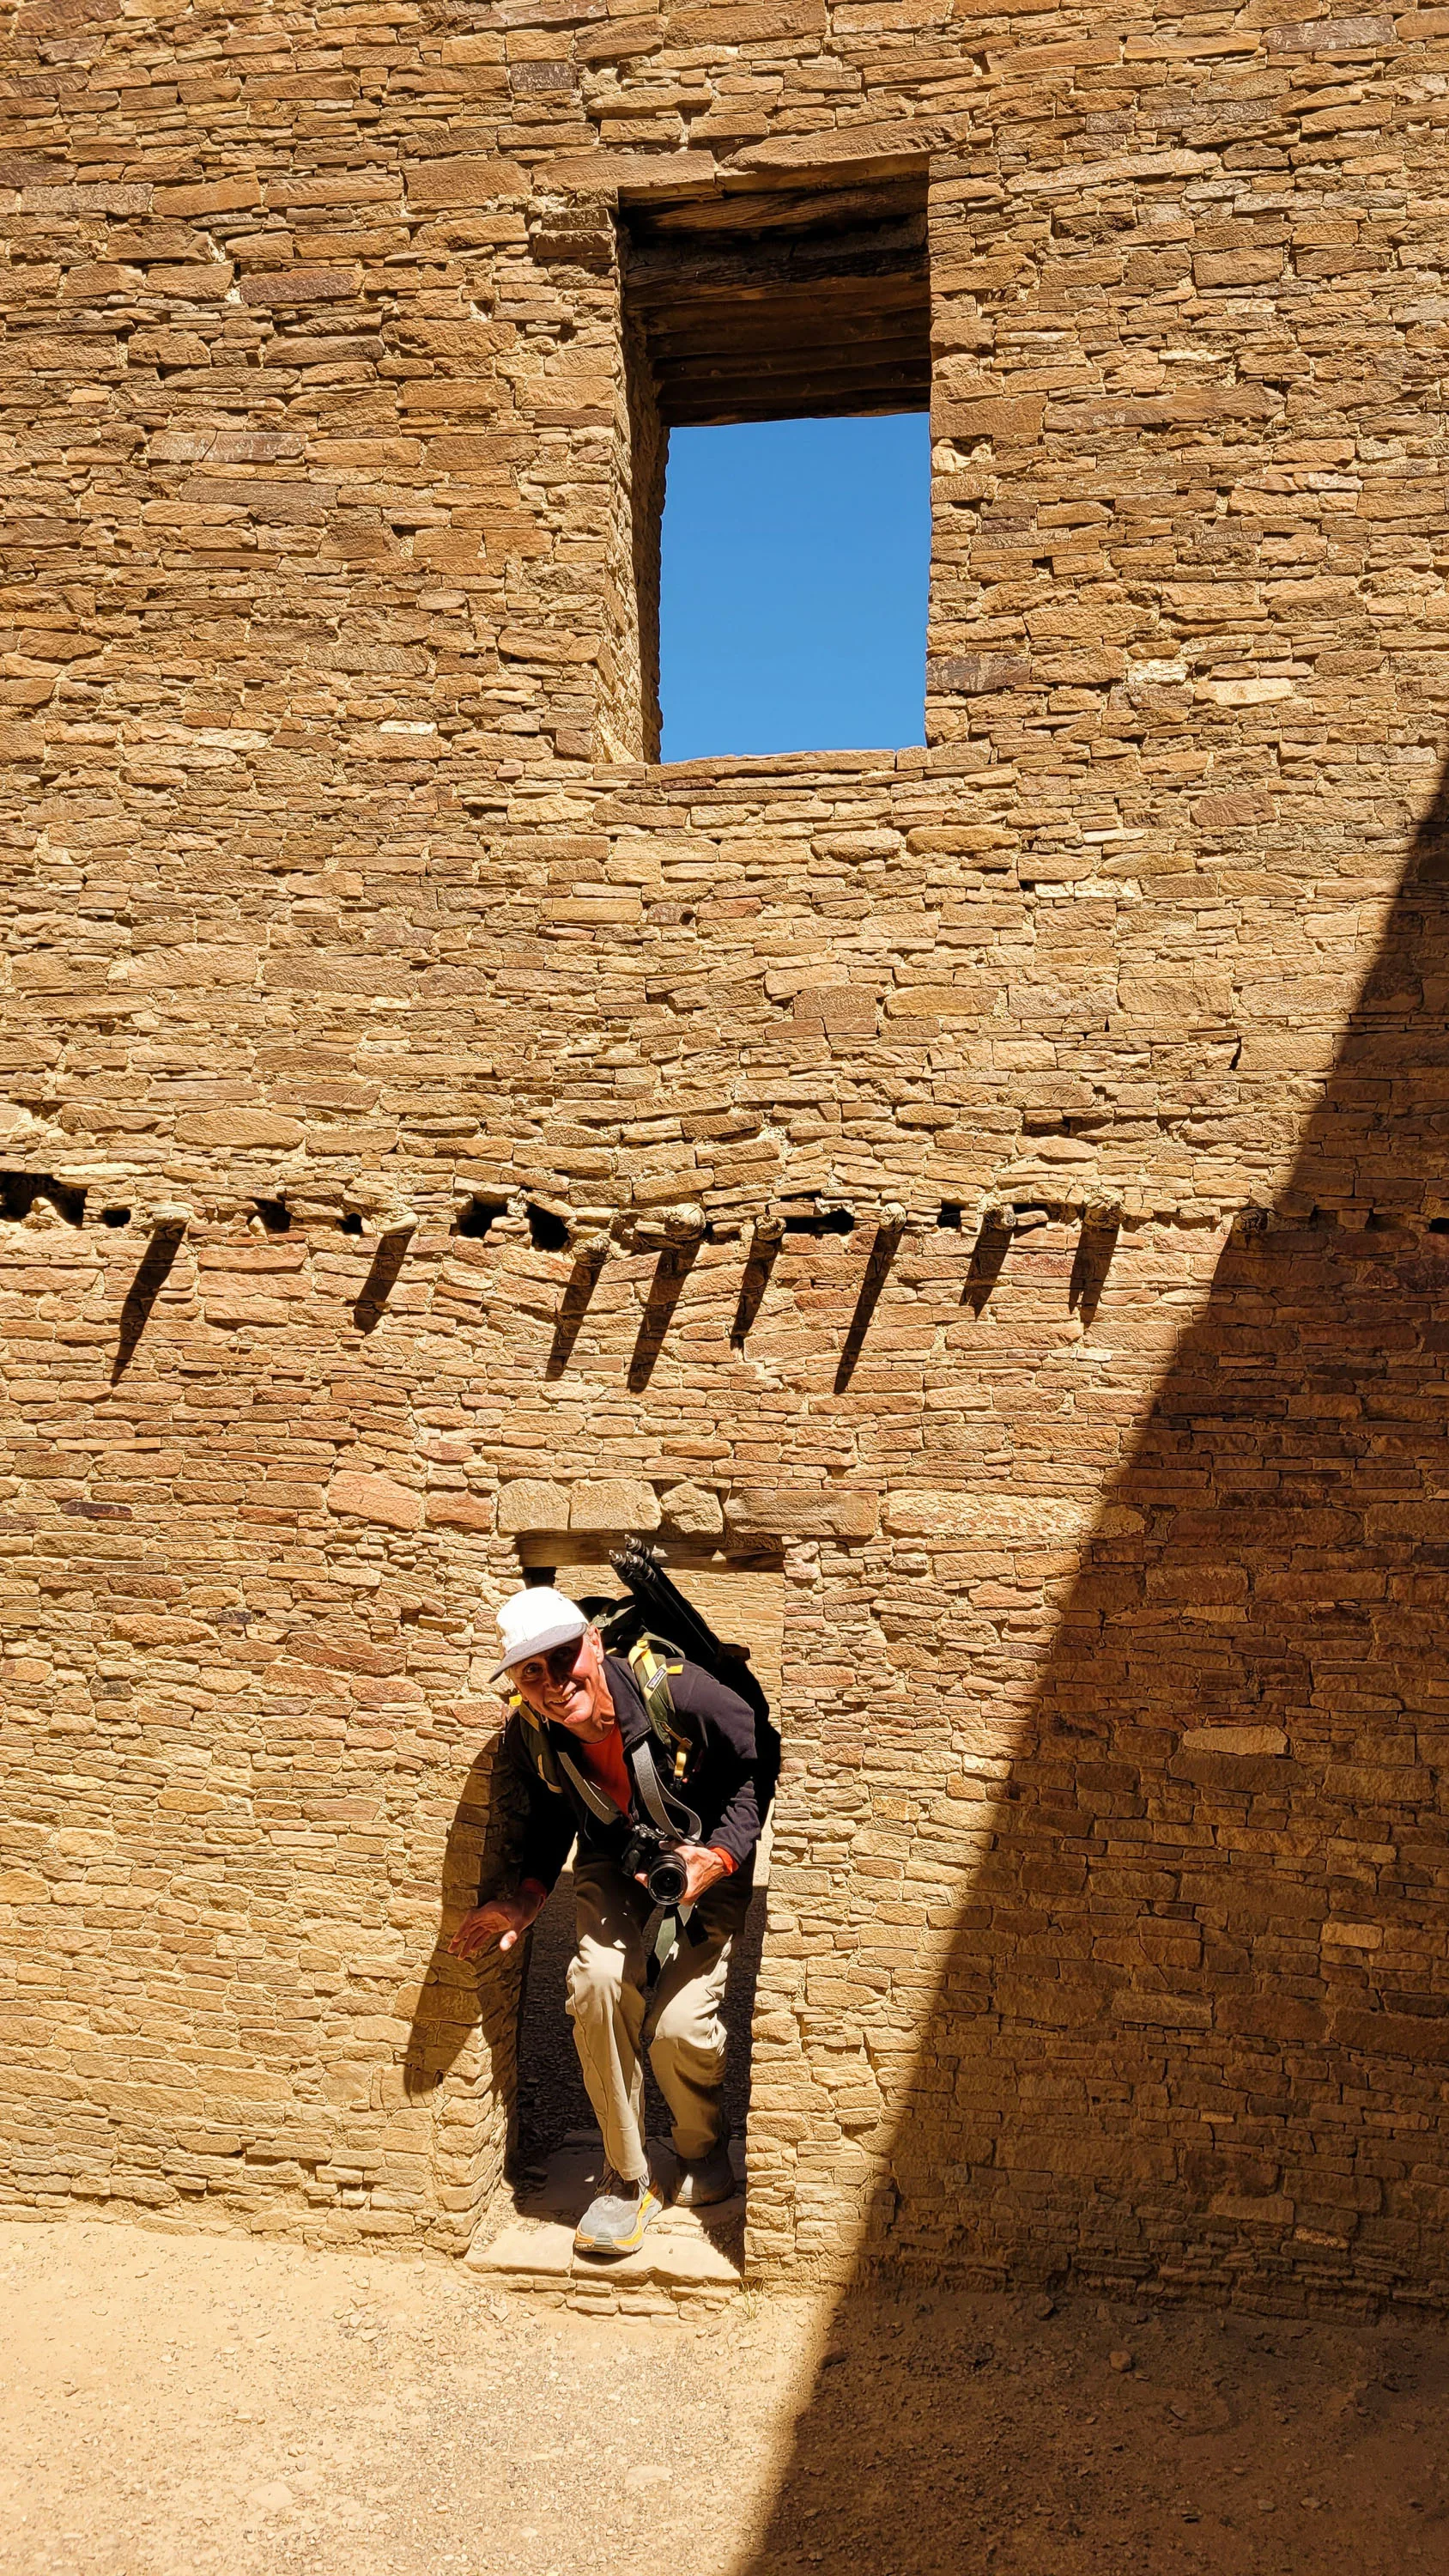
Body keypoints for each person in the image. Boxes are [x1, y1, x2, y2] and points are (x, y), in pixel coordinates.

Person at [448, 1585, 767, 2257]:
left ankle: (699, 2147)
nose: (554, 1683)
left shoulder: (684, 1695)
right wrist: (528, 1896)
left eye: (563, 1658)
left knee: (679, 2028)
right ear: (517, 1683)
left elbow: (754, 1763)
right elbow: (548, 1816)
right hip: (614, 1858)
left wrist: (720, 1855)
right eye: (531, 1672)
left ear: (594, 1644)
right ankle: (626, 2178)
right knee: (594, 1983)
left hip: (707, 1859)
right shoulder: (538, 1732)